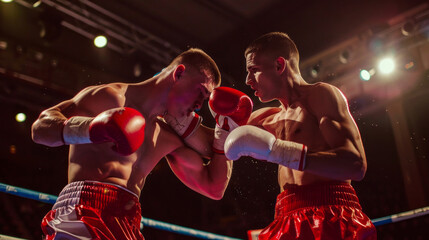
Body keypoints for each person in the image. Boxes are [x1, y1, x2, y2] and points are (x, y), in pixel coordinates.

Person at [31, 48, 253, 239]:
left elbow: (214, 187)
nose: (198, 105)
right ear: (179, 73)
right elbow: (40, 129)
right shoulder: (110, 98)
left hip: (128, 223)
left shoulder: (166, 136)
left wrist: (226, 131)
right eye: (201, 93)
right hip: (83, 211)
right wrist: (93, 128)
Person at [224, 32, 377, 239]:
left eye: (254, 70)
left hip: (329, 213)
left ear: (279, 65)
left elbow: (355, 165)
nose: (248, 80)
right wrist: (182, 118)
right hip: (285, 217)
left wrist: (281, 152)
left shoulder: (320, 95)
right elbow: (214, 145)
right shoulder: (268, 118)